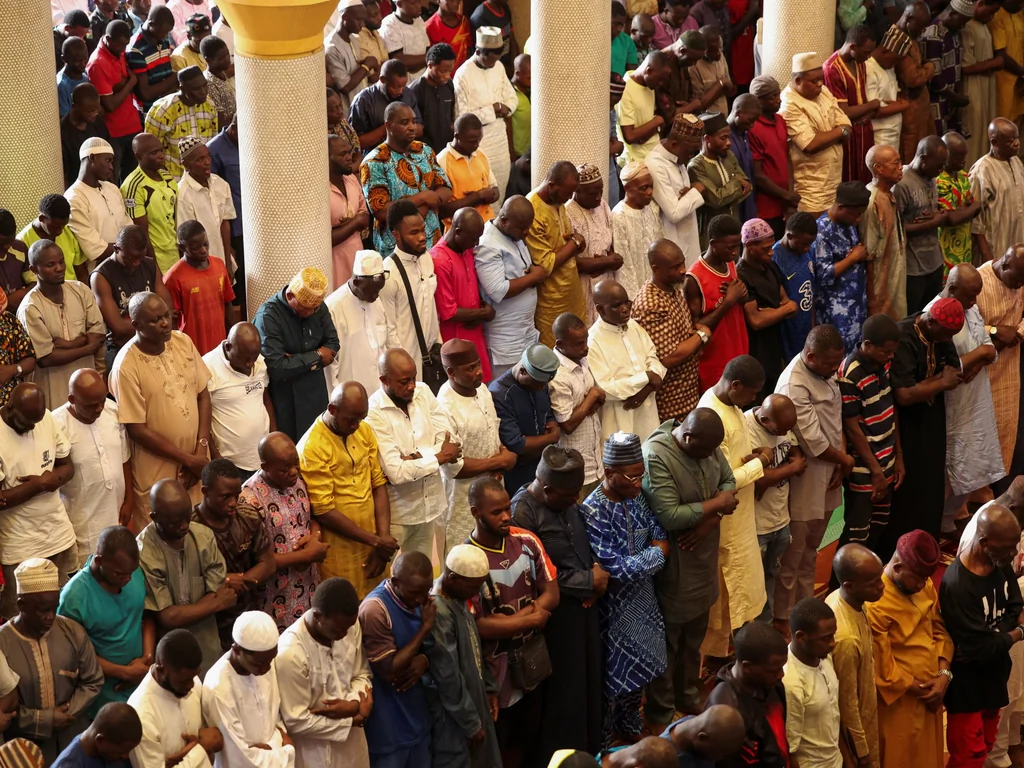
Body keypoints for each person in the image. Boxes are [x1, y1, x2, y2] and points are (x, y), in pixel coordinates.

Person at [642, 407, 736, 728]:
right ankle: (662, 710)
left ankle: (687, 693)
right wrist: (719, 506)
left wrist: (708, 522)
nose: (710, 456)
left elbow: (728, 479)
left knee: (694, 637)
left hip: (703, 555)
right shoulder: (656, 456)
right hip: (676, 564)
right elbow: (670, 515)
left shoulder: (704, 442)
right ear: (686, 436)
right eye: (705, 451)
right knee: (668, 644)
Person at [510, 446, 603, 762]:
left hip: (584, 611)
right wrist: (587, 582)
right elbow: (533, 575)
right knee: (562, 694)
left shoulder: (562, 498)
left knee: (585, 685)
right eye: (569, 496)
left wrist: (592, 582)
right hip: (555, 620)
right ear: (547, 490)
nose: (575, 502)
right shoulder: (523, 514)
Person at [464, 476, 558, 768]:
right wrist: (529, 619)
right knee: (499, 740)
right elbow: (477, 624)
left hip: (531, 659)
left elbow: (551, 593)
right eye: (496, 512)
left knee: (526, 735)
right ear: (475, 513)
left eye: (507, 509)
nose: (506, 517)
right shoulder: (468, 560)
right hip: (495, 670)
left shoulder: (526, 541)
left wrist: (523, 618)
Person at [581, 432, 668, 747]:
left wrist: (651, 554)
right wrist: (657, 554)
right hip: (612, 610)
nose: (637, 482)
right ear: (608, 473)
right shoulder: (593, 510)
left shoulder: (639, 495)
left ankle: (630, 724)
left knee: (642, 670)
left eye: (640, 475)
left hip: (644, 599)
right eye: (631, 476)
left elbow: (659, 531)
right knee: (610, 678)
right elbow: (613, 568)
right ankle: (604, 739)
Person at [109, 292, 211, 526]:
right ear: (136, 325)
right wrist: (189, 460)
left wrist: (200, 450)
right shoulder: (126, 365)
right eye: (155, 320)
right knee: (163, 537)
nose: (165, 323)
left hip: (196, 459)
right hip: (156, 467)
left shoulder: (182, 341)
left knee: (198, 531)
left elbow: (203, 395)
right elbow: (137, 430)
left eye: (166, 315)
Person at [774, 325, 852, 626]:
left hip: (831, 471)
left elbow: (836, 418)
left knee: (811, 550)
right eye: (831, 364)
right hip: (806, 478)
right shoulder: (794, 384)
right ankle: (783, 618)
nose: (836, 370)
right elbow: (814, 442)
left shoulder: (824, 368)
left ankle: (805, 609)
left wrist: (841, 461)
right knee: (793, 554)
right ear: (810, 356)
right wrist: (843, 460)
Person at [696, 356, 768, 658]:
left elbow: (735, 457)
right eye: (751, 394)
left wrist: (751, 454)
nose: (753, 401)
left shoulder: (732, 406)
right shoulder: (711, 415)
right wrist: (761, 463)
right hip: (725, 521)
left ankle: (733, 652)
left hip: (742, 517)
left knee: (742, 589)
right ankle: (719, 659)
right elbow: (721, 482)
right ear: (735, 385)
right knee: (728, 592)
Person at [941, 505, 1024, 768]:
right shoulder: (958, 585)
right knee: (969, 756)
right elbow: (979, 648)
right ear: (984, 541)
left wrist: (994, 637)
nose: (1013, 554)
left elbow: (1015, 607)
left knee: (986, 746)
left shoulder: (998, 560)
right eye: (1008, 548)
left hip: (996, 674)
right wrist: (1018, 632)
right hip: (967, 687)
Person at [297, 381, 398, 597]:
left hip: (373, 540)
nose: (356, 426)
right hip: (339, 550)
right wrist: (377, 541)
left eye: (361, 419)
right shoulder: (312, 446)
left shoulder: (364, 430)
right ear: (332, 409)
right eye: (351, 420)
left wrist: (382, 540)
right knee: (345, 611)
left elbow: (378, 484)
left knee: (379, 603)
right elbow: (324, 511)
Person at [0, 558, 104, 763]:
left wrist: (67, 714)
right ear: (21, 604)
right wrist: (44, 720)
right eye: (42, 610)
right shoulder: (3, 643)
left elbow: (93, 681)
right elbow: (3, 711)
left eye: (53, 608)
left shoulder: (72, 632)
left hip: (72, 739)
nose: (50, 616)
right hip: (24, 750)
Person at [860, 530, 949, 768]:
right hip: (901, 702)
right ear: (897, 567)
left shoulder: (924, 583)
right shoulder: (875, 603)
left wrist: (944, 676)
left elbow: (939, 631)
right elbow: (883, 669)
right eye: (917, 579)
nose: (923, 586)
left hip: (932, 693)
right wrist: (927, 691)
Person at [928, 266, 1004, 528]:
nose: (974, 303)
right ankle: (934, 524)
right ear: (952, 289)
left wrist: (982, 356)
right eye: (970, 296)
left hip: (976, 402)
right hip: (951, 407)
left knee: (974, 465)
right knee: (948, 470)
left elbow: (990, 350)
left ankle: (949, 520)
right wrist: (980, 354)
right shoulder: (935, 314)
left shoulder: (969, 308)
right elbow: (945, 367)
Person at [885, 298, 963, 550]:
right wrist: (939, 383)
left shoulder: (941, 333)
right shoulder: (904, 336)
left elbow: (955, 370)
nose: (948, 340)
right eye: (946, 334)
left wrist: (925, 386)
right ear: (931, 322)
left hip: (932, 417)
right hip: (906, 426)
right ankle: (902, 550)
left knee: (931, 485)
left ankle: (926, 546)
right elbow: (904, 396)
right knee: (908, 489)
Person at [136, 479, 234, 677]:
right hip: (169, 656)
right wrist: (216, 604)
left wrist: (187, 612)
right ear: (154, 517)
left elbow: (217, 590)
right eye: (174, 522)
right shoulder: (143, 551)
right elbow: (167, 616)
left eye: (186, 517)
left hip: (208, 649)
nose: (183, 526)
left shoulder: (203, 536)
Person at [367, 348, 458, 556]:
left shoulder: (423, 391)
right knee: (389, 578)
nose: (411, 386)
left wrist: (416, 457)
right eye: (403, 381)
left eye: (414, 378)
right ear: (384, 379)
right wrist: (438, 457)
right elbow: (396, 473)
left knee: (421, 575)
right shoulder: (373, 412)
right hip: (398, 514)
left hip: (430, 506)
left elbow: (450, 439)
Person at [0, 383, 78, 619]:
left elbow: (67, 466)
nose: (32, 427)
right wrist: (38, 485)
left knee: (63, 608)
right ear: (10, 406)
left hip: (57, 532)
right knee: (22, 617)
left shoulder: (45, 419)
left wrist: (50, 479)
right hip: (20, 543)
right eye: (26, 422)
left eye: (36, 421)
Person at [277, 577, 372, 768]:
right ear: (318, 616)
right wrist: (351, 720)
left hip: (352, 747)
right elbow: (295, 720)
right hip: (313, 753)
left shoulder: (349, 625)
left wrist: (354, 703)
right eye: (339, 629)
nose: (345, 634)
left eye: (349, 627)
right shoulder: (291, 653)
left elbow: (362, 674)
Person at [239, 432, 325, 633]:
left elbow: (313, 517)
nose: (294, 471)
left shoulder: (298, 480)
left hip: (309, 588)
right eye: (285, 468)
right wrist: (304, 555)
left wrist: (315, 537)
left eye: (296, 463)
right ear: (265, 467)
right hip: (275, 599)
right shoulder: (249, 500)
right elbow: (254, 560)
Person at [57, 525, 148, 715]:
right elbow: (73, 656)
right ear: (99, 561)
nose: (128, 579)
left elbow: (147, 616)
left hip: (142, 679)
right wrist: (124, 672)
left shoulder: (131, 571)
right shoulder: (74, 596)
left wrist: (146, 660)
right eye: (120, 574)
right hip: (103, 693)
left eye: (131, 572)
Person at [426, 543, 501, 768]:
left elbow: (474, 649)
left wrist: (489, 688)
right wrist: (470, 722)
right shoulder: (439, 611)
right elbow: (447, 674)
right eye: (473, 586)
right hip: (453, 718)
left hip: (473, 703)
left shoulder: (457, 600)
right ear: (452, 578)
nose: (476, 593)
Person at [436, 339, 514, 554]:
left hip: (495, 487)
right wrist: (499, 461)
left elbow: (493, 434)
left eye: (478, 364)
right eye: (470, 368)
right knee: (465, 561)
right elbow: (453, 468)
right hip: (463, 502)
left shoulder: (482, 390)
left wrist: (500, 459)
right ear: (451, 372)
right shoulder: (443, 408)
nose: (479, 372)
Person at [358, 552, 434, 767]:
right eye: (415, 593)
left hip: (417, 717)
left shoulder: (422, 600)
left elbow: (436, 650)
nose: (421, 599)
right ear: (395, 582)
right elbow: (389, 670)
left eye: (426, 591)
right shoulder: (375, 610)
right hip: (389, 728)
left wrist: (425, 660)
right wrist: (425, 628)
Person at [837, 314, 903, 555]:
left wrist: (898, 458)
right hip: (865, 469)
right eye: (886, 352)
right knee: (857, 533)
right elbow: (852, 428)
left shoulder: (882, 364)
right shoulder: (849, 374)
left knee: (880, 525)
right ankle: (841, 588)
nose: (891, 357)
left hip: (887, 461)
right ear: (867, 346)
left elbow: (890, 408)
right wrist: (876, 472)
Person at [191, 459, 275, 649]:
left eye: (236, 495)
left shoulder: (248, 516)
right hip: (209, 621)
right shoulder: (190, 529)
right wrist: (224, 580)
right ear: (205, 492)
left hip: (247, 614)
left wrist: (241, 580)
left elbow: (268, 563)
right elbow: (188, 580)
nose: (233, 503)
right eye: (225, 497)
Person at [53, 370, 132, 565]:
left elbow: (125, 458)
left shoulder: (112, 411)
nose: (99, 409)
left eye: (102, 401)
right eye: (91, 405)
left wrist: (129, 498)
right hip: (81, 520)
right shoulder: (56, 425)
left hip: (116, 510)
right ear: (72, 399)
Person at [253, 267, 338, 442]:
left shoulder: (316, 306)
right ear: (290, 296)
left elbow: (332, 344)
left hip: (316, 395)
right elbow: (277, 367)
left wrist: (295, 360)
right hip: (285, 401)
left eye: (314, 309)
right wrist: (317, 355)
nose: (310, 314)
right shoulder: (268, 316)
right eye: (305, 308)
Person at [17, 240, 105, 408]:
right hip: (53, 393)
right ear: (34, 270)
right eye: (51, 265)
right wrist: (86, 347)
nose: (59, 268)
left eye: (61, 261)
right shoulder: (31, 308)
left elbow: (98, 336)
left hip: (87, 388)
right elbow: (46, 358)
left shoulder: (80, 290)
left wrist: (70, 344)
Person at [202, 612, 295, 767]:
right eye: (260, 663)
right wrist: (286, 751)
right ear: (237, 650)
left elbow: (275, 719)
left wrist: (273, 747)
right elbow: (238, 756)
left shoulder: (264, 662)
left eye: (271, 660)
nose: (267, 668)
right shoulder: (219, 687)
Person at [360, 101, 451, 256]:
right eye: (404, 122)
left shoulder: (424, 150)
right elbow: (381, 211)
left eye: (414, 122)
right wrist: (422, 199)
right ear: (388, 125)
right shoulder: (375, 162)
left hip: (433, 240)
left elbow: (446, 188)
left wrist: (429, 202)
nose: (412, 127)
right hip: (398, 247)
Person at [630, 239, 706, 424]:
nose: (683, 270)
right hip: (669, 403)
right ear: (656, 269)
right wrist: (702, 335)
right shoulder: (651, 304)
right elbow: (668, 357)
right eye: (675, 267)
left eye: (682, 263)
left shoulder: (673, 289)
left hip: (688, 394)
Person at [126, 629, 225, 768]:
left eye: (195, 675)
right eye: (183, 681)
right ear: (161, 670)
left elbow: (209, 738)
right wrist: (200, 749)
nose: (191, 685)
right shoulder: (141, 714)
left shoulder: (193, 682)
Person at [746, 394, 805, 623]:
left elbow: (794, 451)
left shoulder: (782, 423)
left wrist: (795, 460)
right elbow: (757, 478)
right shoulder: (747, 429)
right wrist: (792, 468)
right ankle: (752, 636)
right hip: (756, 524)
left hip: (781, 520)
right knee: (754, 583)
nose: (784, 434)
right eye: (780, 430)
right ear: (764, 418)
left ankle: (767, 627)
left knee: (771, 575)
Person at [824, 545, 885, 768]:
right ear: (849, 585)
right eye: (873, 583)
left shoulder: (846, 598)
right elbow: (847, 704)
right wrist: (862, 753)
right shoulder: (846, 638)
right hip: (858, 733)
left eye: (880, 577)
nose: (882, 586)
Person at [588, 279, 666, 443]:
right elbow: (604, 388)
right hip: (619, 417)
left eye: (627, 303)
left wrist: (646, 389)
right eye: (617, 306)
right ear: (600, 309)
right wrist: (646, 377)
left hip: (648, 411)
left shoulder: (634, 326)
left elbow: (654, 359)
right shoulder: (593, 341)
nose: (625, 310)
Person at [473, 196, 543, 377]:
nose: (527, 232)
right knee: (506, 391)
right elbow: (497, 290)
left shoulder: (514, 233)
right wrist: (534, 277)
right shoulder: (488, 244)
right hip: (505, 339)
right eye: (522, 228)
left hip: (525, 331)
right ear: (504, 221)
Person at [704, 621, 789, 768]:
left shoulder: (771, 682)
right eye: (774, 670)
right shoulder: (725, 711)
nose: (781, 674)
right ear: (747, 666)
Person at [780, 51, 853, 215]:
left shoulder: (824, 92)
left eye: (821, 79)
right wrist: (839, 132)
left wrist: (834, 133)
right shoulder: (789, 104)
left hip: (834, 181)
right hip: (811, 190)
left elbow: (846, 124)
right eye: (814, 81)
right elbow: (811, 144)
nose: (820, 84)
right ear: (798, 81)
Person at [451, 27, 517, 209]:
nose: (494, 63)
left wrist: (504, 108)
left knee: (499, 189)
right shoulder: (463, 74)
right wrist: (492, 109)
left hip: (500, 140)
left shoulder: (499, 67)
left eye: (497, 59)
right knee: (481, 192)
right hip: (480, 143)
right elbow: (461, 117)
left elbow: (512, 99)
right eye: (491, 59)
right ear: (479, 52)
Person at [90, 226, 171, 370]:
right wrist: (154, 323)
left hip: (152, 343)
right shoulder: (101, 276)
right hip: (120, 348)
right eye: (130, 258)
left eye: (140, 258)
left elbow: (168, 308)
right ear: (116, 249)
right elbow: (118, 327)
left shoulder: (149, 264)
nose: (136, 263)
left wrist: (150, 324)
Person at [977, 245, 1024, 490]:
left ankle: (1003, 490)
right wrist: (994, 331)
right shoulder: (976, 282)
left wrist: (1018, 332)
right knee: (982, 436)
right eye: (1016, 281)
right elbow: (956, 325)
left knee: (1009, 431)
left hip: (1011, 368)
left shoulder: (1020, 276)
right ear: (1005, 265)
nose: (1018, 288)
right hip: (981, 373)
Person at [201, 323, 273, 481]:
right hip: (231, 463)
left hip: (262, 458)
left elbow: (265, 398)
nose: (250, 364)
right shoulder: (207, 367)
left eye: (254, 358)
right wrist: (215, 456)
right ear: (228, 347)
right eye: (245, 359)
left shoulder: (257, 360)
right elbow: (202, 417)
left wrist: (273, 437)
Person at [685, 215, 749, 391]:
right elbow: (694, 327)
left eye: (738, 246)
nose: (736, 252)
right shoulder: (694, 278)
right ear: (713, 244)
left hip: (738, 349)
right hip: (715, 363)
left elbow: (739, 299)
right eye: (730, 247)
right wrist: (728, 301)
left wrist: (741, 294)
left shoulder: (730, 263)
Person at [526, 161, 586, 348]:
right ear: (551, 185)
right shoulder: (532, 210)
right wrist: (575, 243)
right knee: (556, 354)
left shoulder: (557, 201)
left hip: (572, 292)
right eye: (567, 193)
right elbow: (545, 264)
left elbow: (566, 243)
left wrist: (575, 244)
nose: (569, 199)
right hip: (551, 300)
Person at [736, 218, 794, 401]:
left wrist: (770, 311)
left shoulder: (769, 265)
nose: (771, 252)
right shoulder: (741, 274)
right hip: (757, 349)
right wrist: (781, 311)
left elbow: (786, 300)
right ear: (750, 245)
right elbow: (756, 321)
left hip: (775, 344)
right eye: (765, 248)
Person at [549, 314, 605, 502]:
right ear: (560, 344)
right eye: (579, 344)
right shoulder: (558, 374)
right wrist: (592, 397)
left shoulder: (580, 358)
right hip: (573, 466)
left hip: (595, 461)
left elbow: (597, 393)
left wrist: (596, 396)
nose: (586, 347)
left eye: (586, 340)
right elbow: (568, 424)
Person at [324, 250, 396, 395]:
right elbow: (330, 367)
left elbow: (388, 341)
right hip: (350, 397)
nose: (376, 297)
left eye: (379, 291)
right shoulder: (333, 307)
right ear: (356, 282)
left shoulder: (375, 300)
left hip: (380, 393)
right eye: (372, 291)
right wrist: (337, 399)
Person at [431, 208, 492, 378]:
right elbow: (449, 312)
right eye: (474, 238)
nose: (476, 243)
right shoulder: (440, 260)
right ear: (457, 232)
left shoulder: (466, 250)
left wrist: (479, 315)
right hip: (456, 338)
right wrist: (484, 313)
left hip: (474, 332)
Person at [811, 180, 870, 350]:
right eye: (856, 214)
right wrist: (852, 258)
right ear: (841, 206)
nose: (858, 219)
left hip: (856, 305)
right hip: (836, 312)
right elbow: (822, 276)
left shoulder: (848, 223)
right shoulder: (821, 232)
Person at [783, 598, 841, 768]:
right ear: (801, 637)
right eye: (826, 638)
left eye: (833, 635)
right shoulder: (790, 682)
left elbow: (834, 714)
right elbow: (790, 749)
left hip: (836, 760)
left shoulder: (822, 655)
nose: (833, 643)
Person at [894, 136, 949, 314]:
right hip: (913, 269)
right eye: (938, 165)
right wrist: (934, 222)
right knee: (913, 319)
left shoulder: (931, 177)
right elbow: (895, 230)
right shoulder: (901, 183)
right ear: (923, 158)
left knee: (931, 317)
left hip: (934, 262)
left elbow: (931, 211)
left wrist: (939, 215)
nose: (941, 171)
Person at [163, 220, 234, 356]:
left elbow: (227, 302)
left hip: (220, 349)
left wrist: (233, 333)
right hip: (191, 350)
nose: (203, 250)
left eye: (205, 244)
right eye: (196, 248)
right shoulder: (173, 278)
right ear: (182, 248)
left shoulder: (219, 265)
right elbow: (171, 321)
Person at [644, 111, 705, 267]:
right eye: (690, 151)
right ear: (674, 145)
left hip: (687, 237)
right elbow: (674, 213)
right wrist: (696, 190)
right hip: (671, 241)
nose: (692, 156)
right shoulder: (656, 164)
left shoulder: (677, 156)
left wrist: (690, 192)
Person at [565, 164, 623, 325]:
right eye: (592, 193)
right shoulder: (567, 213)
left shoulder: (603, 205)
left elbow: (612, 247)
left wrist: (608, 261)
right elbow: (571, 262)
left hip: (606, 280)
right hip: (582, 286)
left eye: (601, 191)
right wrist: (605, 261)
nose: (598, 197)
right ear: (576, 191)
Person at [823, 25, 879, 185]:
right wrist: (873, 104)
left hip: (864, 130)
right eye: (866, 52)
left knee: (867, 178)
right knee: (849, 180)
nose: (869, 57)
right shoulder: (832, 68)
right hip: (848, 134)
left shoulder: (859, 61)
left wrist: (869, 110)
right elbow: (844, 111)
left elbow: (862, 99)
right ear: (853, 46)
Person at [87, 20, 141, 183]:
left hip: (132, 124)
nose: (124, 50)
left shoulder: (118, 51)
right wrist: (131, 83)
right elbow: (110, 105)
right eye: (120, 46)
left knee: (133, 179)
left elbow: (123, 82)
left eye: (126, 45)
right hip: (114, 132)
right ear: (109, 40)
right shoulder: (98, 63)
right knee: (112, 180)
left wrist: (122, 85)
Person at [67, 137, 133, 268]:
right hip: (101, 271)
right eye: (107, 160)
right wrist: (130, 251)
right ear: (92, 158)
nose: (111, 167)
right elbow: (95, 249)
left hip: (128, 265)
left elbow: (129, 229)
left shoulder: (113, 189)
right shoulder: (74, 198)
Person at [687, 113, 751, 250]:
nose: (729, 143)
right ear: (707, 139)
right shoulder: (696, 166)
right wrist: (736, 182)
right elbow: (716, 200)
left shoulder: (728, 156)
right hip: (712, 236)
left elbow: (747, 186)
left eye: (728, 137)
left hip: (734, 228)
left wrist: (728, 192)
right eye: (723, 138)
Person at [748, 76, 800, 238]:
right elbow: (757, 175)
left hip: (784, 202)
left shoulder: (780, 120)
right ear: (758, 101)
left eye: (778, 94)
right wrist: (785, 195)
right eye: (772, 97)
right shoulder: (753, 127)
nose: (779, 100)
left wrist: (790, 197)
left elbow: (786, 159)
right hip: (766, 208)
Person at [143, 67, 217, 181]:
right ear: (182, 88)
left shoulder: (210, 106)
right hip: (175, 181)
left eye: (204, 85)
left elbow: (212, 141)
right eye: (196, 88)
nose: (203, 92)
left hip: (204, 178)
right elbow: (151, 154)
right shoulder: (162, 111)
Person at [121, 133, 180, 274]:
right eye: (154, 153)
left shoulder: (167, 177)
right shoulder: (133, 186)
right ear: (138, 157)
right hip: (157, 260)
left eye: (161, 150)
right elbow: (140, 233)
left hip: (176, 254)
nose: (161, 155)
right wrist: (154, 269)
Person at [862, 144, 907, 320]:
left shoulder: (888, 194)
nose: (900, 167)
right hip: (881, 286)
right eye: (895, 163)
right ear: (878, 169)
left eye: (900, 161)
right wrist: (873, 301)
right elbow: (869, 255)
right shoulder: (871, 201)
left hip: (894, 278)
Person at [970, 119, 1024, 265]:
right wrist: (988, 259)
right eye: (1010, 141)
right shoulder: (982, 170)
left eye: (1017, 138)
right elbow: (976, 221)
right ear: (994, 142)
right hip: (996, 251)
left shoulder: (1016, 162)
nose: (1017, 143)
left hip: (1018, 248)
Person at [175, 138, 235, 265]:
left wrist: (228, 260)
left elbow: (225, 222)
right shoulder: (183, 194)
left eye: (208, 157)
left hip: (222, 258)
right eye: (199, 159)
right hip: (201, 263)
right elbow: (188, 238)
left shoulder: (220, 184)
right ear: (186, 164)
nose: (207, 162)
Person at [611, 162, 663, 301]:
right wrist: (635, 299)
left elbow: (660, 244)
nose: (650, 192)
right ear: (628, 188)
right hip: (636, 293)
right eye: (643, 188)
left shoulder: (652, 208)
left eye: (651, 186)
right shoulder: (618, 215)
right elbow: (624, 266)